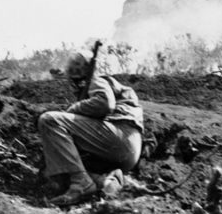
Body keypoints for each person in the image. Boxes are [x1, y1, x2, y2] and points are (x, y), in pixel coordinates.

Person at [37, 51, 143, 206]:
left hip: (119, 135)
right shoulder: (95, 85)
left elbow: (105, 102)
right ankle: (106, 181)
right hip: (126, 150)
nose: (73, 84)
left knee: (49, 120)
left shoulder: (96, 79)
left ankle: (82, 183)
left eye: (74, 79)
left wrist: (73, 109)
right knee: (56, 168)